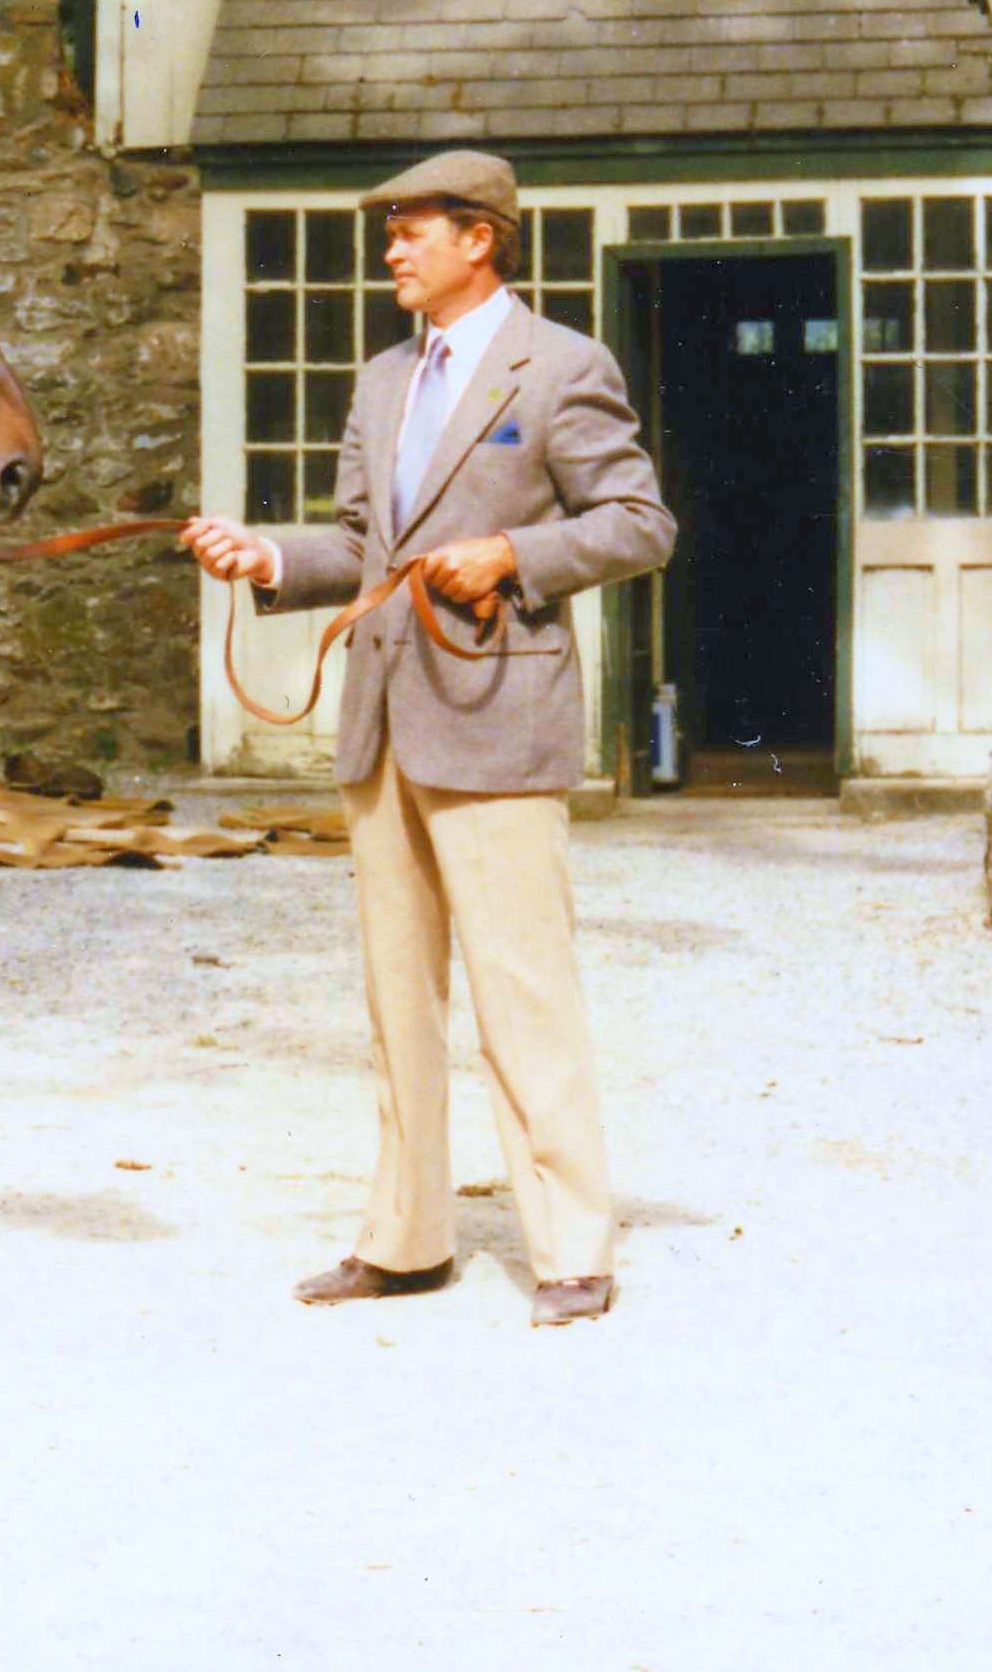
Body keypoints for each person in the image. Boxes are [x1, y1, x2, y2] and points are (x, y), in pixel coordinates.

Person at [182, 150, 675, 1327]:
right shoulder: (383, 380)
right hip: (385, 721)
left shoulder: (562, 369)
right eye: (390, 232)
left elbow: (640, 522)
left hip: (499, 715)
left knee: (523, 992)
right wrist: (271, 559)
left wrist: (515, 556)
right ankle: (406, 1240)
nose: (393, 250)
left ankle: (570, 1250)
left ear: (482, 241)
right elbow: (365, 545)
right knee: (398, 997)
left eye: (413, 231)